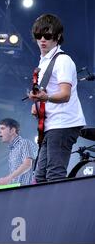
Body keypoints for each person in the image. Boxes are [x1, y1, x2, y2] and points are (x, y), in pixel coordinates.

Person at [28, 14, 86, 183]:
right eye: (39, 36)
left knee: (54, 175)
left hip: (63, 123)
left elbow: (65, 94)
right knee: (39, 178)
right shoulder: (44, 62)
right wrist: (37, 105)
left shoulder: (63, 60)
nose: (42, 40)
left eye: (48, 35)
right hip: (51, 124)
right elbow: (47, 94)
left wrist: (45, 98)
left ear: (58, 36)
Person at [0, 118, 38, 186]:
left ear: (12, 130)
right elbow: (16, 175)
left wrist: (7, 179)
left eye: (2, 128)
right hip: (18, 191)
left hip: (27, 190)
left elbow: (27, 165)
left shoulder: (24, 143)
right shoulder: (12, 150)